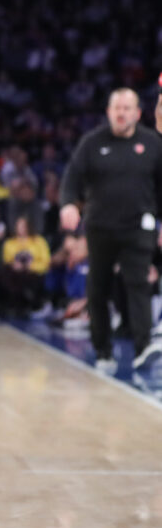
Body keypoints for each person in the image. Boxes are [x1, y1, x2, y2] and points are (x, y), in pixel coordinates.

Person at [61, 88, 162, 380]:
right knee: (98, 288)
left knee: (138, 284)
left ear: (137, 113)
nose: (121, 113)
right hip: (100, 228)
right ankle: (102, 349)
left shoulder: (153, 144)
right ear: (108, 112)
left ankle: (143, 348)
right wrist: (68, 204)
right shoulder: (92, 144)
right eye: (117, 108)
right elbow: (72, 178)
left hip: (138, 227)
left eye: (127, 108)